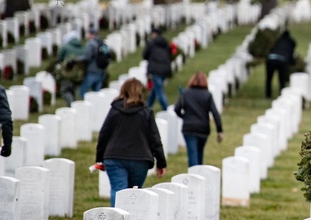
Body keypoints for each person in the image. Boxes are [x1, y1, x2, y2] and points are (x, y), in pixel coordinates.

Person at [95, 78, 167, 206]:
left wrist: (99, 159)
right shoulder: (146, 112)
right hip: (140, 159)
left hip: (114, 157)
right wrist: (161, 163)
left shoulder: (115, 110)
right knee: (134, 194)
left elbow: (104, 135)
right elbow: (155, 139)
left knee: (118, 190)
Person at [173, 71, 223, 167]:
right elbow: (215, 113)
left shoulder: (185, 93)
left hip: (189, 128)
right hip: (203, 128)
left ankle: (194, 176)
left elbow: (176, 109)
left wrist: (184, 117)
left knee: (192, 153)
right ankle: (199, 174)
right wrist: (219, 130)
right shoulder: (207, 95)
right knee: (200, 152)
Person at [143, 27, 174, 111]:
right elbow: (170, 55)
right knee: (155, 89)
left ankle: (166, 109)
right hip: (165, 69)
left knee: (159, 91)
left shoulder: (151, 43)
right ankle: (147, 108)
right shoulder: (165, 43)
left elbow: (145, 55)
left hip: (155, 69)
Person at [56, 30, 86, 104]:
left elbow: (59, 58)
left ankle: (72, 105)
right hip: (79, 74)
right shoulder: (82, 48)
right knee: (72, 90)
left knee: (65, 90)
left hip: (67, 72)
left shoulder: (65, 47)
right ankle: (74, 105)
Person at [266, 29, 297, 99]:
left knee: (269, 79)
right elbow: (290, 54)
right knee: (282, 79)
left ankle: (268, 95)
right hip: (282, 60)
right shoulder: (291, 42)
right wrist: (292, 63)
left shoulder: (276, 40)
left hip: (271, 59)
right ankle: (282, 94)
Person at [78, 27, 106, 98]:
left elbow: (87, 57)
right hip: (101, 70)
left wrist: (76, 59)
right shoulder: (102, 43)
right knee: (97, 94)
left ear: (91, 34)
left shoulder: (91, 44)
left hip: (92, 71)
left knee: (83, 91)